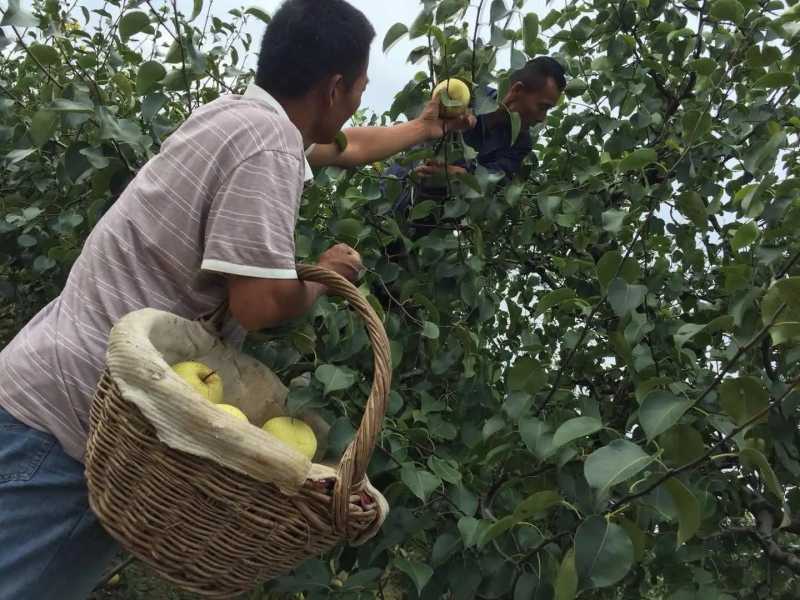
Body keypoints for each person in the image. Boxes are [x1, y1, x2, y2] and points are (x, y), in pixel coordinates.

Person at [0, 1, 473, 598]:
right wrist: (324, 273)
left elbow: (346, 146)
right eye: (357, 89)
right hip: (74, 428)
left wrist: (425, 128)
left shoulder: (237, 116)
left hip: (47, 386)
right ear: (333, 88)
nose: (357, 101)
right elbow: (259, 305)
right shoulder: (270, 145)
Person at [383, 56, 567, 245]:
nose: (542, 118)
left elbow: (495, 179)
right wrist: (452, 123)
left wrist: (459, 175)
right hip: (387, 202)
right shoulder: (467, 96)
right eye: (542, 107)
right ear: (517, 90)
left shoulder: (520, 142)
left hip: (423, 232)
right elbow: (422, 130)